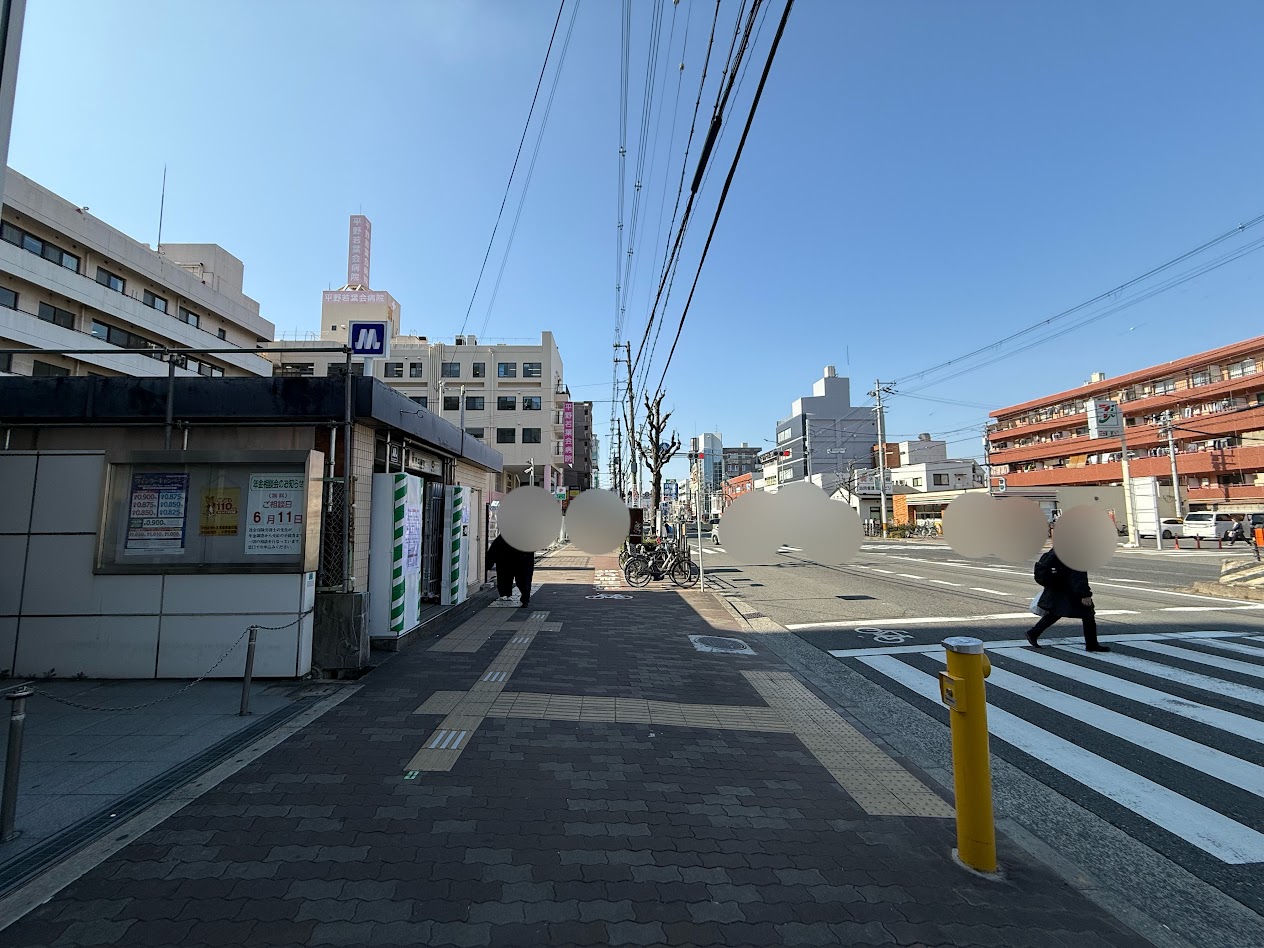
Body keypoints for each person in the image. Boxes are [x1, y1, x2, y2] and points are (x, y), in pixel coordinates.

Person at [1025, 548, 1110, 652]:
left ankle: (1033, 633)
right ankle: (1092, 645)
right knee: (1088, 614)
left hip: (1059, 585)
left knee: (1056, 611)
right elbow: (1078, 575)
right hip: (1070, 588)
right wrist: (1085, 594)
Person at [486, 533, 535, 608]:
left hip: (506, 561)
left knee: (505, 578)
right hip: (523, 562)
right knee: (524, 581)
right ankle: (525, 599)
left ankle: (505, 594)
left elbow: (494, 549)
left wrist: (489, 564)